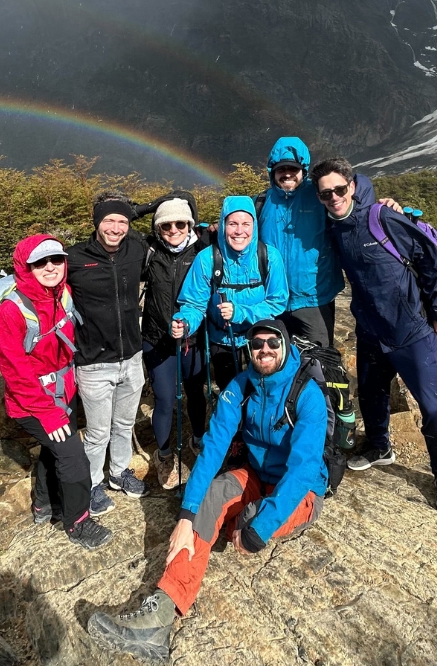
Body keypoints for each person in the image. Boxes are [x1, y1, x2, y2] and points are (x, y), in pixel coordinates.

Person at [87, 320, 328, 661]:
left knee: (247, 523)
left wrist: (259, 529)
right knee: (212, 495)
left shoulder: (306, 395)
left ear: (285, 345)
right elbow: (213, 448)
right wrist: (187, 516)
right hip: (258, 475)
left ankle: (248, 522)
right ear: (248, 349)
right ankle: (159, 618)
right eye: (257, 344)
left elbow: (302, 470)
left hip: (301, 494)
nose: (265, 350)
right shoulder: (241, 387)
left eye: (273, 342)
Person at [311, 157, 437, 514]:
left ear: (352, 186)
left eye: (339, 189)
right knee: (372, 392)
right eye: (325, 193)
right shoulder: (332, 226)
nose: (333, 197)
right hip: (372, 329)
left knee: (433, 407)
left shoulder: (381, 217)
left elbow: (433, 262)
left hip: (412, 330)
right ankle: (380, 447)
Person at [0, 234, 112, 549]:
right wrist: (48, 412)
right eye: (39, 262)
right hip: (32, 403)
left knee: (52, 449)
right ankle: (78, 523)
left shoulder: (63, 293)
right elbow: (14, 371)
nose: (50, 267)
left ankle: (44, 504)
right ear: (25, 267)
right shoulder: (9, 313)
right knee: (74, 458)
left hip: (62, 391)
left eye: (56, 259)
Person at [257, 136, 399, 347]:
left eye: (293, 168)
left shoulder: (319, 196)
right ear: (272, 172)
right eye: (281, 169)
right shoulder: (261, 203)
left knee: (320, 362)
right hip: (272, 299)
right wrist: (216, 228)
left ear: (303, 169)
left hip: (314, 298)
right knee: (275, 363)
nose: (287, 173)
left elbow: (352, 201)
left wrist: (383, 207)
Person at [66, 191, 148, 516]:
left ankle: (118, 473)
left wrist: (140, 209)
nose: (116, 227)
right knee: (98, 432)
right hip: (93, 363)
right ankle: (92, 484)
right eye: (109, 220)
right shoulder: (73, 257)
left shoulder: (136, 249)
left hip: (132, 357)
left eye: (122, 221)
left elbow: (169, 238)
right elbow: (27, 279)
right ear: (96, 222)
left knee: (125, 423)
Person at [171, 196, 288, 391]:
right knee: (230, 393)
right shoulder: (207, 258)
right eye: (233, 223)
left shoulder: (269, 257)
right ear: (223, 225)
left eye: (246, 224)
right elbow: (194, 304)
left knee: (260, 393)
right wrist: (184, 323)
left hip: (259, 340)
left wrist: (240, 312)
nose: (239, 231)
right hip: (221, 340)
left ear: (254, 226)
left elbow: (277, 302)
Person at [135, 191, 212, 489]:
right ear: (158, 228)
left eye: (181, 224)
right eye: (166, 226)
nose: (174, 231)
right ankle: (164, 454)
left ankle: (197, 439)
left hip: (193, 338)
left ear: (190, 224)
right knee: (165, 398)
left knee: (195, 392)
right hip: (157, 338)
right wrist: (149, 207)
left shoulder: (203, 249)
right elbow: (113, 226)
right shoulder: (148, 251)